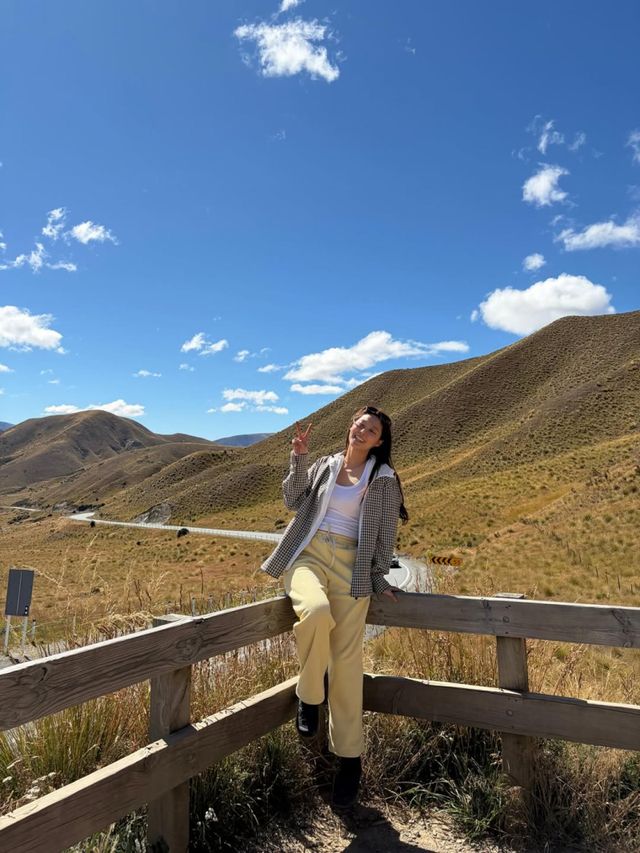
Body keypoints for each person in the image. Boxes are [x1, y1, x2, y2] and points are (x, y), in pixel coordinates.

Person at [261, 405, 409, 809]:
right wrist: (298, 458)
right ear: (350, 427)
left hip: (352, 567)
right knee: (314, 611)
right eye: (360, 423)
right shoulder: (324, 466)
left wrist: (378, 576)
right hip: (309, 556)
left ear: (379, 441)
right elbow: (293, 500)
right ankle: (310, 695)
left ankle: (349, 759)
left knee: (346, 663)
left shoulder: (383, 479)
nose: (363, 430)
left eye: (372, 429)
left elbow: (386, 533)